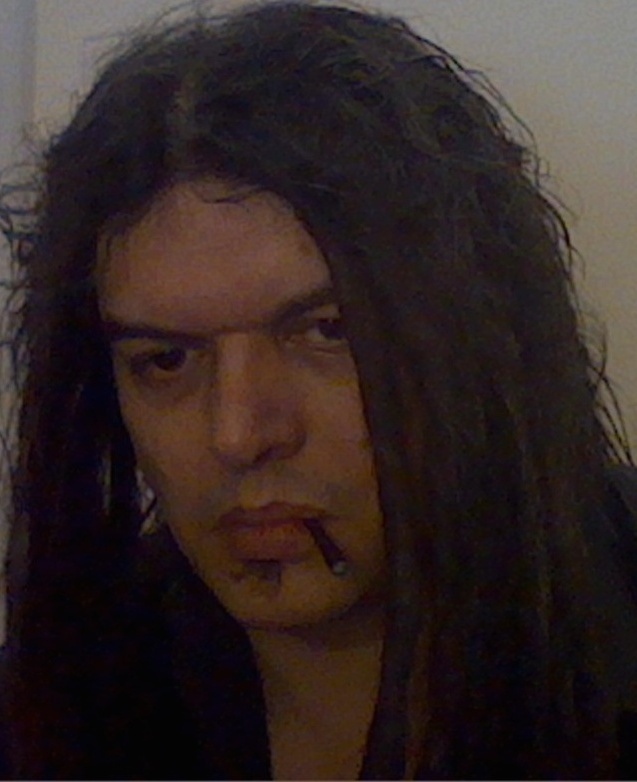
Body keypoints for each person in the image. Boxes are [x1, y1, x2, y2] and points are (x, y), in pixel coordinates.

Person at [1, 1, 637, 778]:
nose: (239, 432)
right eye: (165, 361)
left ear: (476, 331)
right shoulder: (72, 698)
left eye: (328, 332)